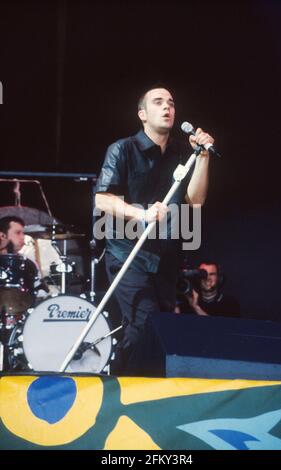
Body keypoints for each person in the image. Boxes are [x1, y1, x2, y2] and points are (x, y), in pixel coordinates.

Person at [95, 86, 215, 375]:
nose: (167, 107)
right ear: (142, 115)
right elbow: (102, 198)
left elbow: (195, 201)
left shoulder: (181, 153)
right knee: (143, 321)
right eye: (158, 102)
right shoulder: (123, 149)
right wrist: (142, 214)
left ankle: (149, 393)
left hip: (165, 257)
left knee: (160, 328)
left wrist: (203, 157)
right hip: (127, 252)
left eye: (171, 103)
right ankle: (122, 391)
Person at [176, 261, 240, 317]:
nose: (207, 278)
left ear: (219, 278)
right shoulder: (187, 302)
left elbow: (221, 329)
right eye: (203, 274)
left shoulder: (230, 303)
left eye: (212, 274)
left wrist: (196, 307)